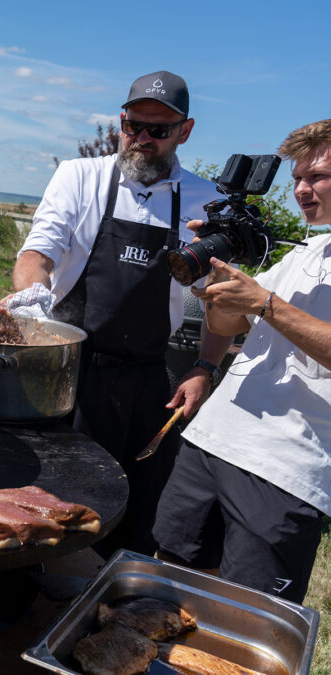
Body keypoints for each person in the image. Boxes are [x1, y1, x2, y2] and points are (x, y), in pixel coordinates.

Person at [6, 71, 232, 555]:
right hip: (71, 373)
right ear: (121, 121)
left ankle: (111, 600)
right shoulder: (79, 175)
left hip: (150, 381)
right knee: (54, 501)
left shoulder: (204, 199)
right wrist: (32, 296)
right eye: (134, 126)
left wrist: (205, 368)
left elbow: (220, 297)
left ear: (184, 132)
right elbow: (38, 253)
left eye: (159, 131)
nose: (142, 139)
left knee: (131, 513)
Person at [152, 120, 331, 603]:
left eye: (316, 176)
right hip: (214, 440)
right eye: (297, 178)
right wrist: (213, 285)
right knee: (168, 578)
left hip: (284, 467)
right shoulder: (309, 250)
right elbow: (230, 325)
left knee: (244, 615)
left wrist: (264, 303)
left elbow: (262, 307)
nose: (300, 189)